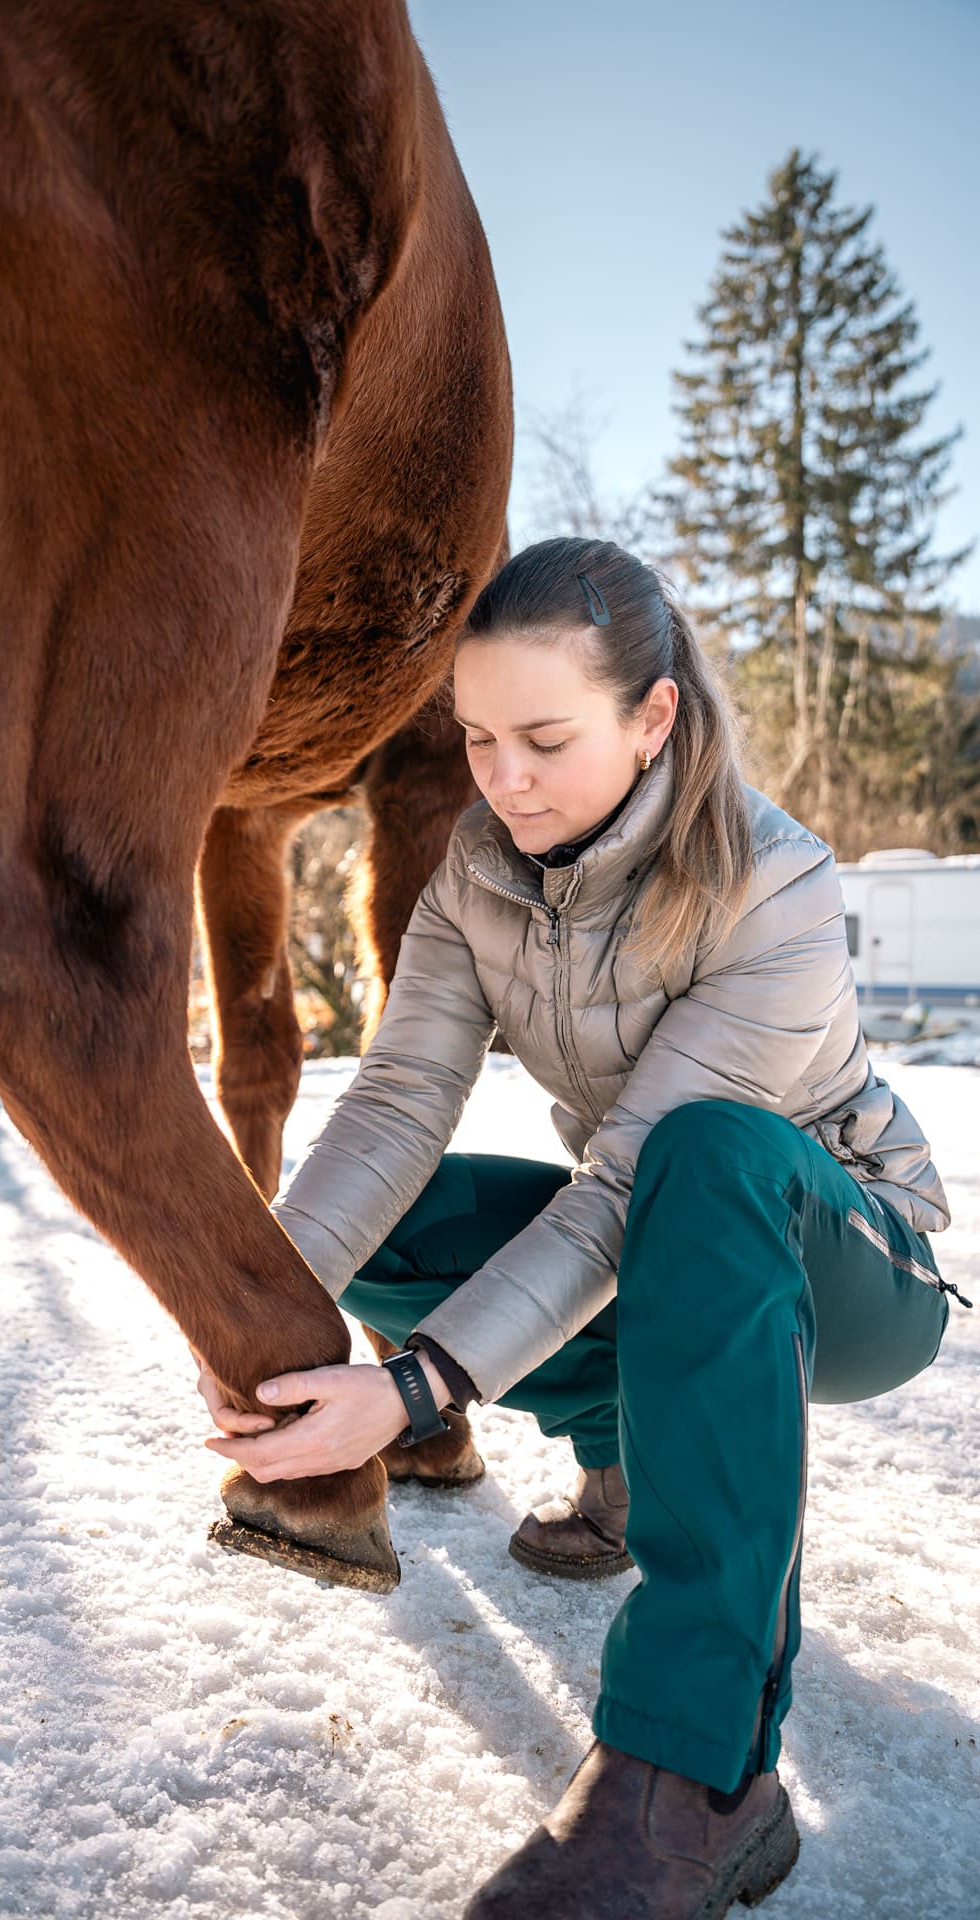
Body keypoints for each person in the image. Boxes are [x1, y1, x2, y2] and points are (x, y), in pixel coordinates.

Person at [195, 537, 963, 1919]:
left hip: (850, 1260)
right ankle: (621, 1468)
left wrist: (418, 1387)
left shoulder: (776, 885)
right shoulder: (481, 871)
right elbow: (392, 1107)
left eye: (545, 738)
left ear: (653, 717)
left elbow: (625, 1189)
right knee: (398, 1215)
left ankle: (701, 1774)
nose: (502, 779)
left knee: (706, 1157)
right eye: (478, 738)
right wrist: (261, 1304)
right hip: (664, 1234)